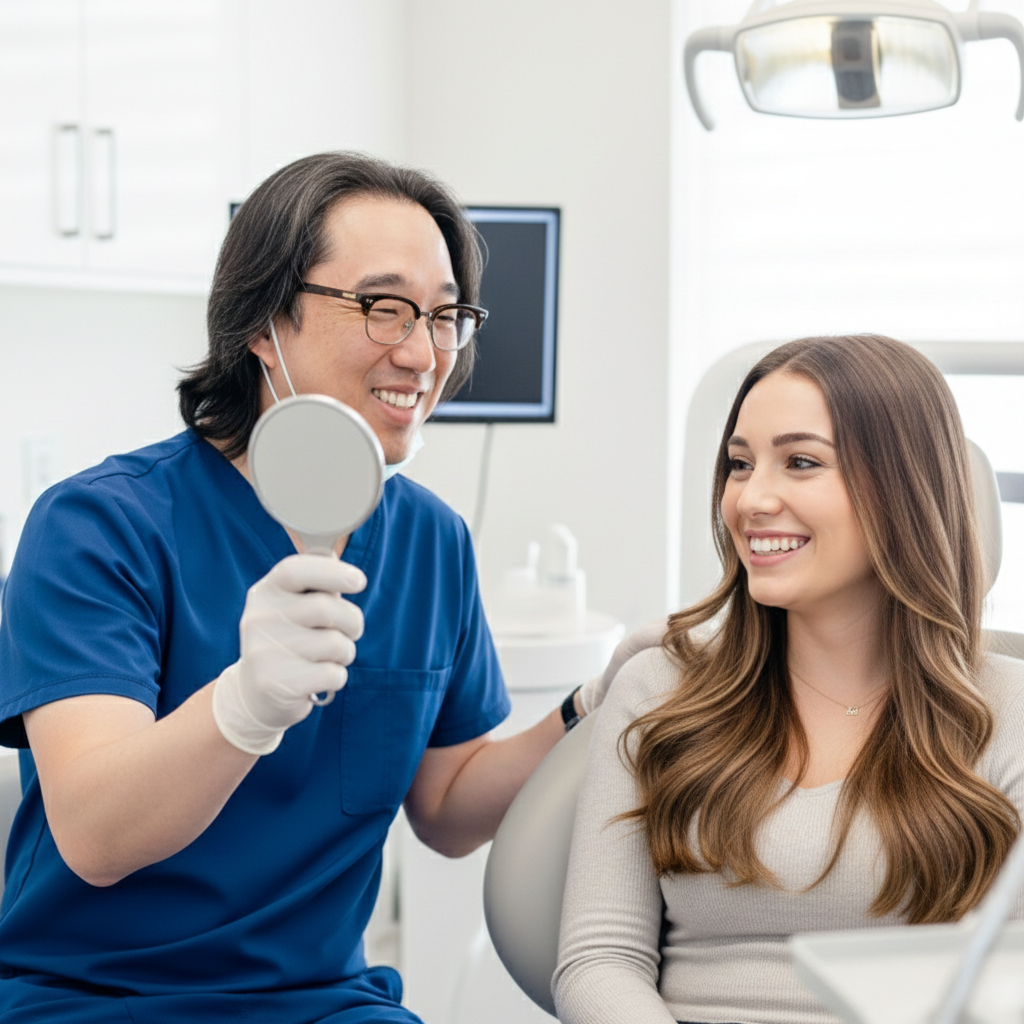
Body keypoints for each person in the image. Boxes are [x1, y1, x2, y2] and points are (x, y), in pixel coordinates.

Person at [0, 152, 640, 1024]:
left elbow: (449, 809)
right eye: (384, 309)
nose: (424, 354)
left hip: (326, 1004)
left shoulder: (430, 539)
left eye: (447, 315)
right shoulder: (98, 526)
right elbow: (97, 836)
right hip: (91, 999)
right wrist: (242, 708)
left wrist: (594, 705)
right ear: (266, 323)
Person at [553, 334, 1024, 1024]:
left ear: (904, 487)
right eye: (739, 466)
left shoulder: (1009, 712)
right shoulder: (658, 688)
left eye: (801, 462)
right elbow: (599, 960)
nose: (751, 499)